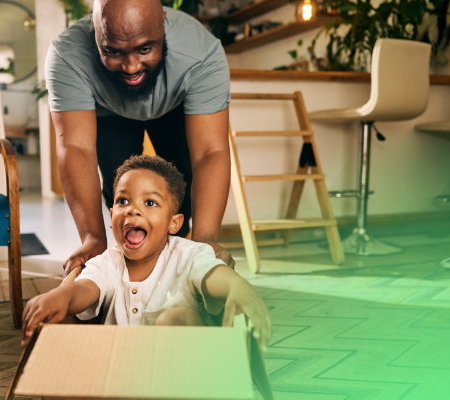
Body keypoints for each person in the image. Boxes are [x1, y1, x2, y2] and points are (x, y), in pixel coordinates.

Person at [46, 0, 234, 276]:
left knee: (180, 192)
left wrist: (206, 239)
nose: (131, 67)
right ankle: (134, 274)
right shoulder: (68, 54)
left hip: (175, 107)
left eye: (145, 48)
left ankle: (177, 268)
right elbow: (76, 148)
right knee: (122, 192)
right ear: (96, 31)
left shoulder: (201, 53)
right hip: (109, 111)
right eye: (112, 51)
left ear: (163, 22)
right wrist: (92, 239)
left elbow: (210, 153)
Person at [21, 156, 271, 351]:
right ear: (111, 217)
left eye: (150, 203)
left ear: (174, 223)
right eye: (123, 201)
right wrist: (62, 294)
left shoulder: (189, 254)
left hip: (181, 377)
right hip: (117, 373)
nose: (132, 210)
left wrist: (237, 287)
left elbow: (214, 274)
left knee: (174, 319)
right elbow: (85, 288)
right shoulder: (108, 262)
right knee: (64, 325)